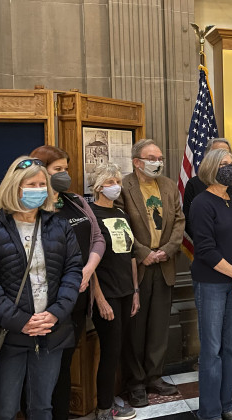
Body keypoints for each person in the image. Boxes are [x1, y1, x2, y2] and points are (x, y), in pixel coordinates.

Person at [0, 156, 82, 420]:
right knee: (6, 408)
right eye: (31, 184)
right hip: (12, 334)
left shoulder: (59, 225)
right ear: (15, 187)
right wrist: (20, 320)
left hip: (51, 330)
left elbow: (73, 270)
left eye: (42, 184)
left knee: (43, 407)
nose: (38, 189)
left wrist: (56, 313)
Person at [29, 145, 107, 418]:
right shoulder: (31, 205)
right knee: (43, 372)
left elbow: (98, 238)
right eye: (57, 170)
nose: (64, 174)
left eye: (66, 168)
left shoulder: (75, 200)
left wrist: (86, 271)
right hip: (47, 302)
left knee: (64, 367)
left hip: (78, 298)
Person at [116, 139, 185, 403]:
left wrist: (167, 249)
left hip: (165, 263)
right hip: (139, 266)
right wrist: (143, 253)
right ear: (137, 162)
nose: (157, 162)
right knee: (136, 328)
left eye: (160, 158)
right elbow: (120, 225)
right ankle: (135, 382)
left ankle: (155, 376)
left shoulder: (168, 186)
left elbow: (179, 221)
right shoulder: (123, 187)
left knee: (159, 326)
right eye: (151, 158)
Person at [191, 149, 232, 420]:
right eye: (224, 164)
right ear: (211, 168)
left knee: (229, 350)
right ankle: (210, 413)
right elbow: (205, 249)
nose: (230, 168)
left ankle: (227, 406)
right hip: (212, 283)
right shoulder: (202, 203)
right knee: (212, 351)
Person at [88, 164, 139, 420]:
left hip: (126, 291)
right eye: (110, 180)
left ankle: (112, 396)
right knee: (109, 350)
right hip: (105, 293)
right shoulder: (91, 215)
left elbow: (130, 254)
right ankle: (104, 407)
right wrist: (99, 297)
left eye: (117, 180)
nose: (116, 185)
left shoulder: (121, 212)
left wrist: (136, 290)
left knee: (119, 348)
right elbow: (90, 260)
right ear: (98, 186)